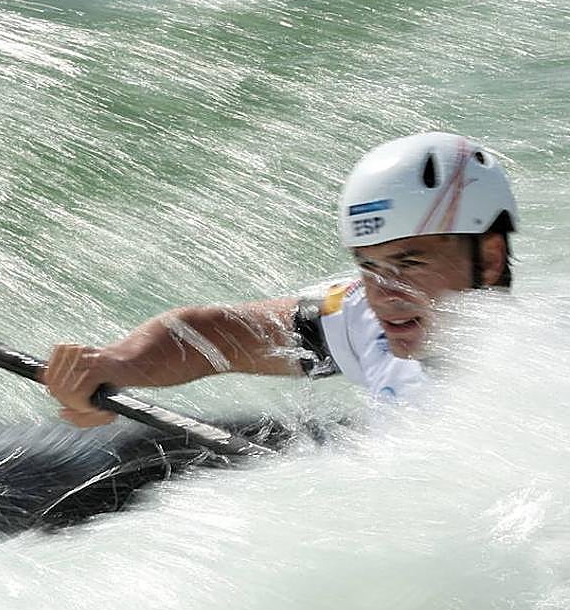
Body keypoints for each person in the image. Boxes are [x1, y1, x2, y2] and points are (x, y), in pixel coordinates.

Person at [43, 132, 518, 425]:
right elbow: (218, 334)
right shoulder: (362, 318)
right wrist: (118, 365)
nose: (383, 295)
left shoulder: (537, 381)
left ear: (491, 258)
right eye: (369, 267)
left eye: (409, 264)